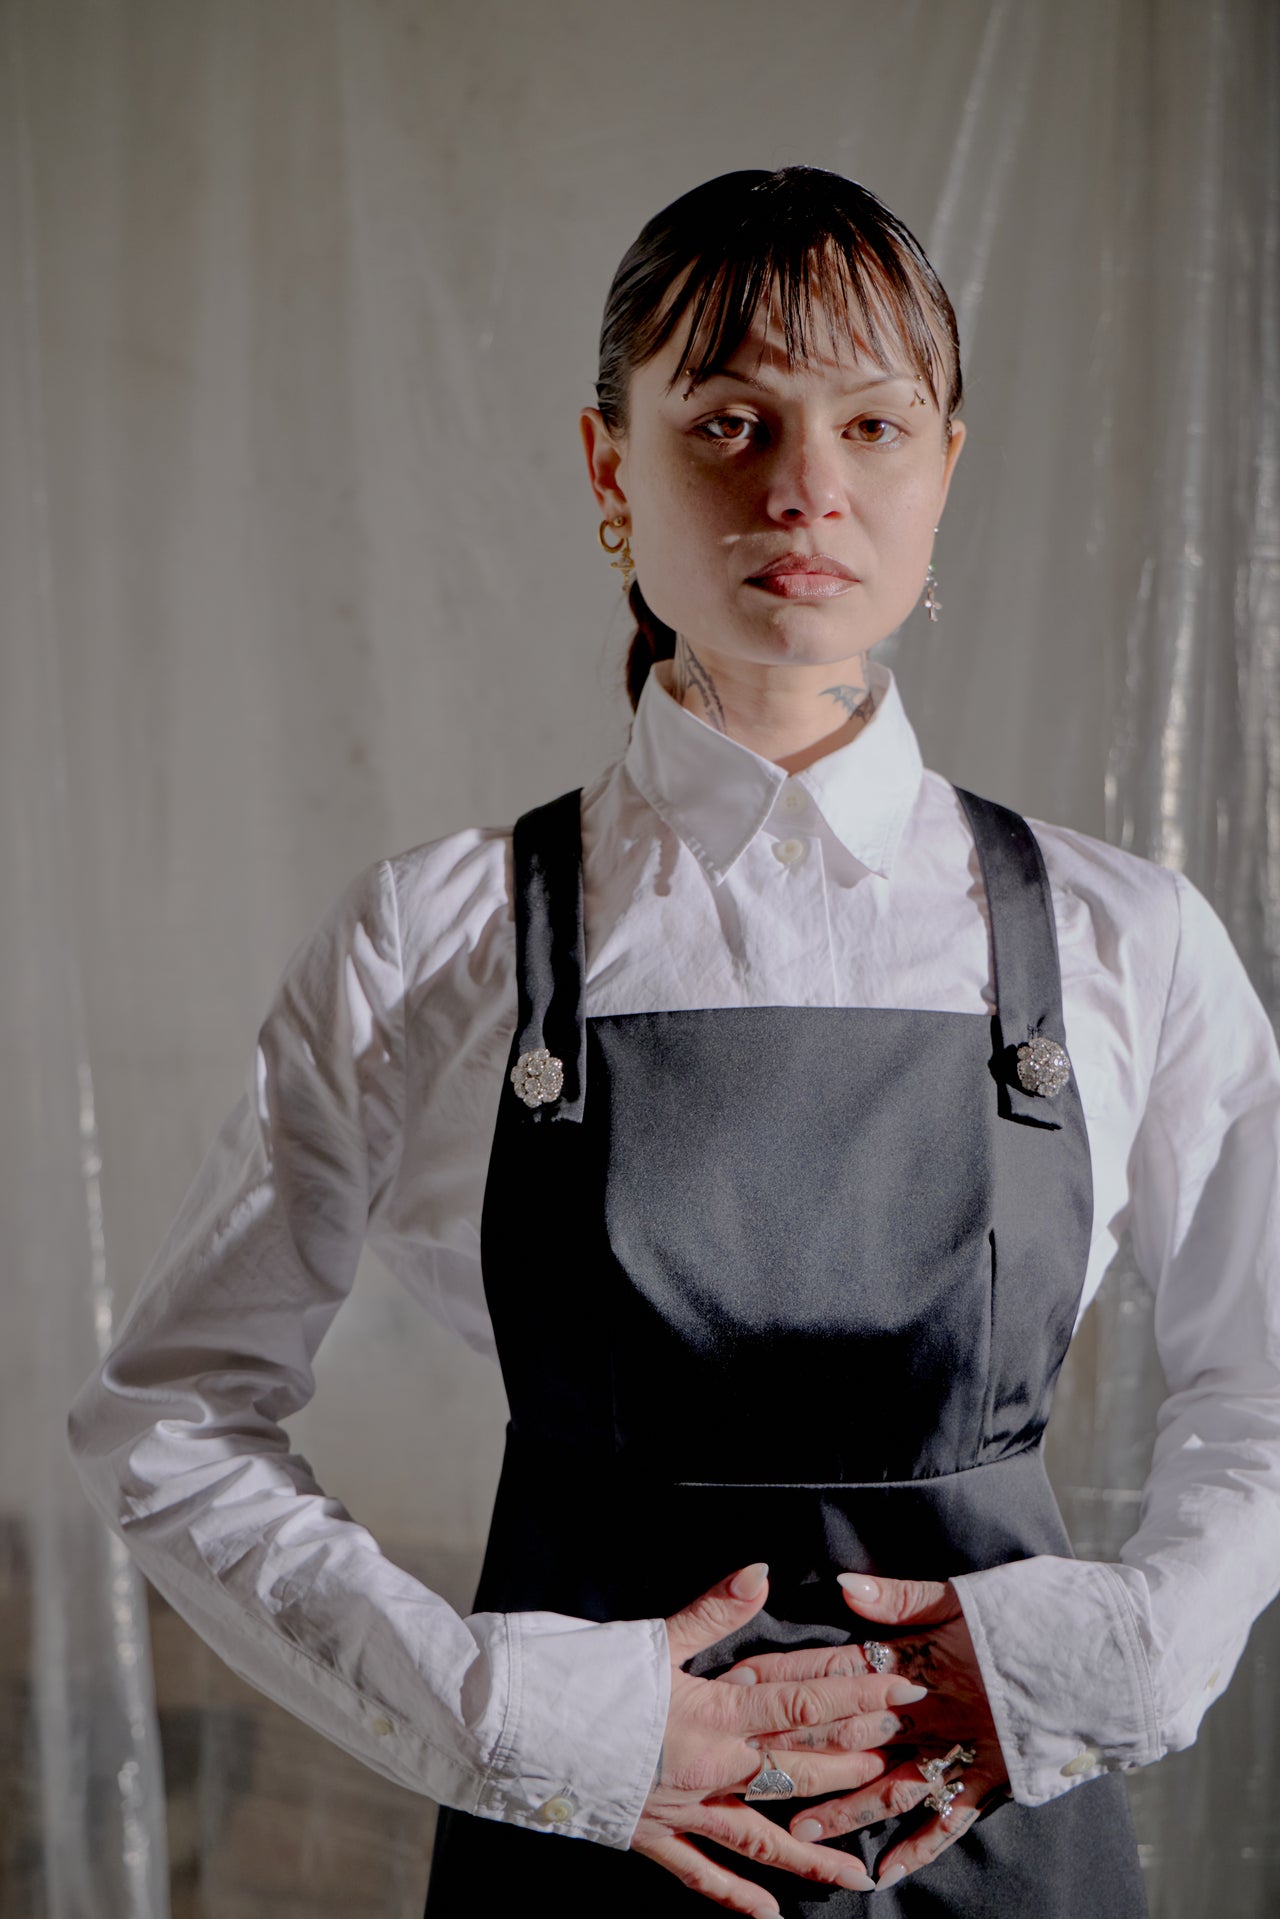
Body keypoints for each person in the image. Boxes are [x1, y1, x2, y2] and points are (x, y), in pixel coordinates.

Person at [67, 167, 1280, 1918]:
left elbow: (1260, 1378)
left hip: (1008, 1830)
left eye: (872, 424)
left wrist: (1129, 1658)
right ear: (607, 468)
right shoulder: (437, 939)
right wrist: (507, 1718)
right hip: (582, 1850)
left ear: (947, 465)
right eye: (729, 419)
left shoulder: (1126, 940)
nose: (806, 487)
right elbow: (171, 1416)